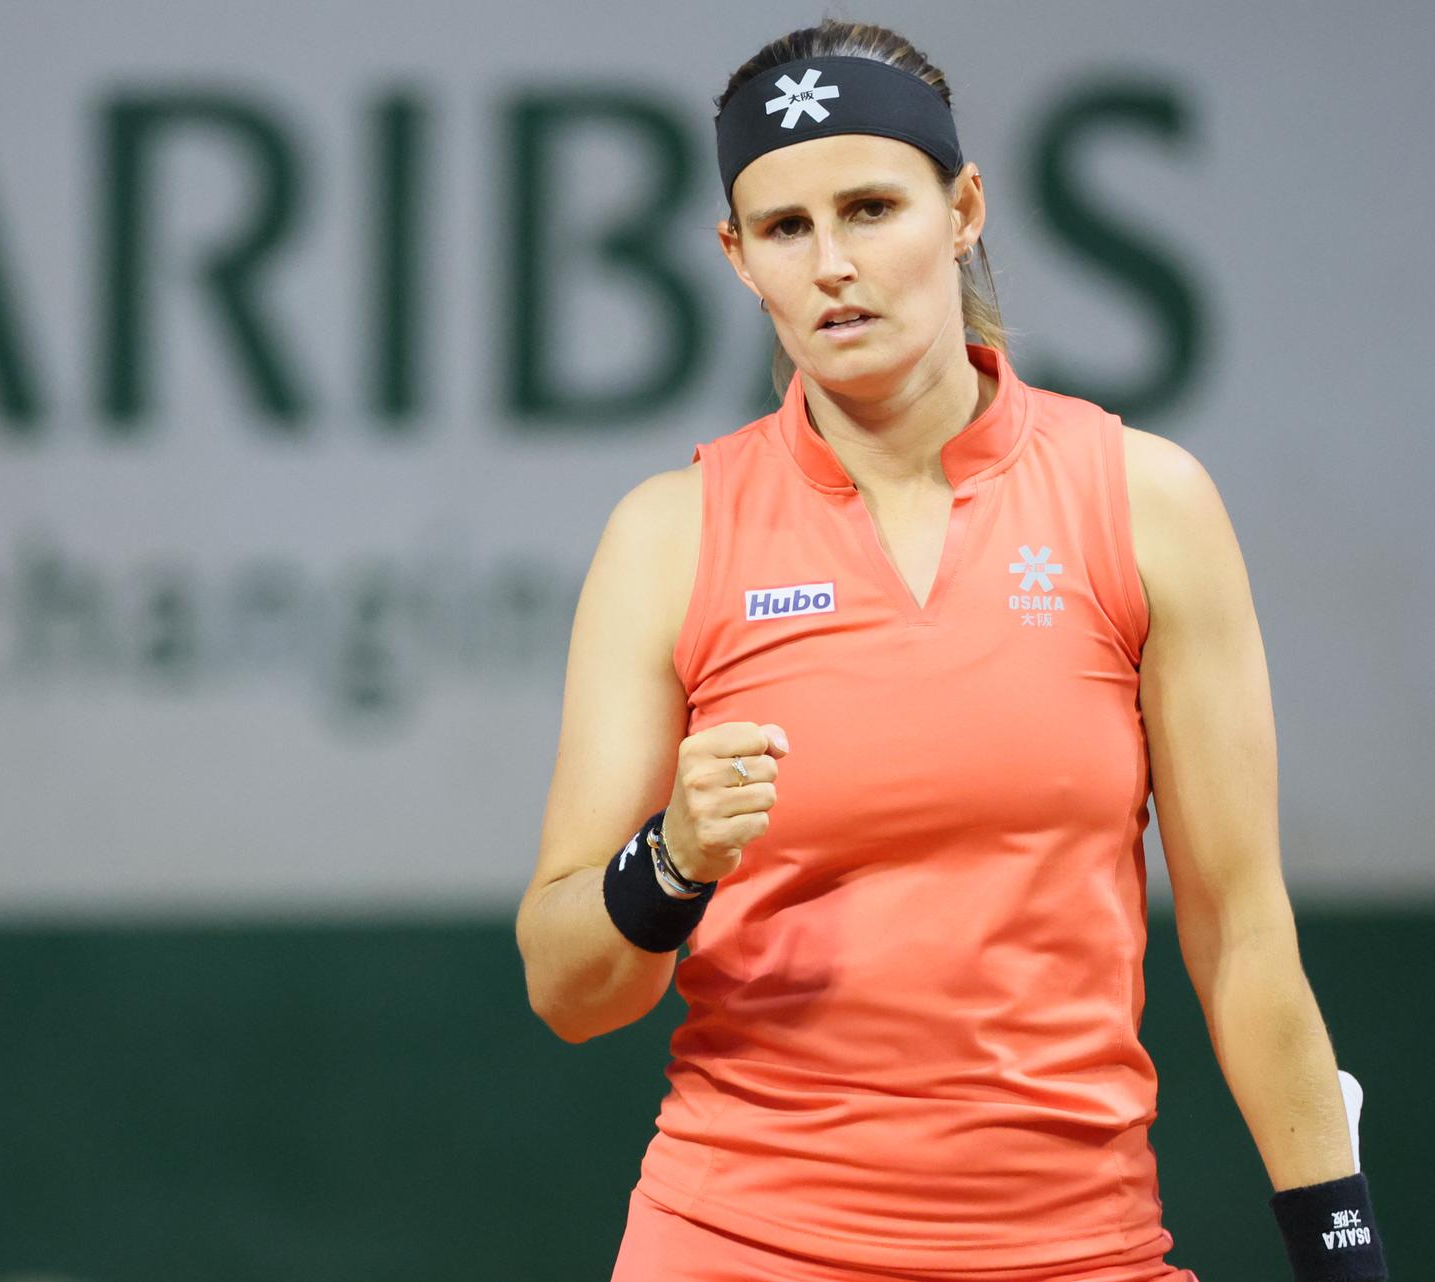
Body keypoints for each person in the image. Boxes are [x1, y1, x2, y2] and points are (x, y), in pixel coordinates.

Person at [513, 19, 1388, 1282]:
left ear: (963, 206)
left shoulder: (1145, 503)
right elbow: (567, 986)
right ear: (737, 258)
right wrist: (674, 859)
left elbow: (1243, 940)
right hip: (740, 1245)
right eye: (785, 228)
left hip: (1079, 1250)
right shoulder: (669, 536)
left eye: (871, 208)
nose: (833, 265)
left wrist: (1344, 1257)